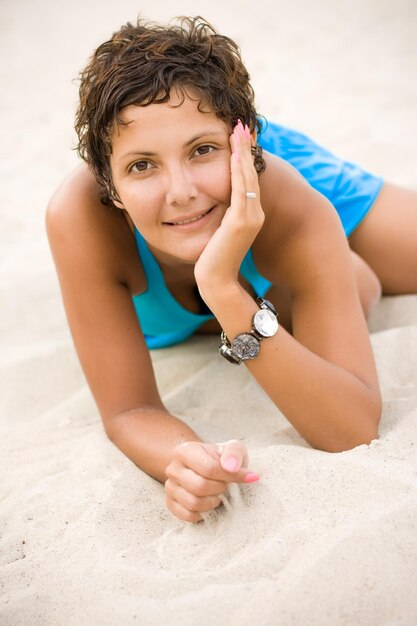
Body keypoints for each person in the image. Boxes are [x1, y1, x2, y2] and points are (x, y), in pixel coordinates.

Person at [46, 16, 417, 523]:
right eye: (141, 165)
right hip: (243, 210)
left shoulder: (290, 201)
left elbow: (351, 430)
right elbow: (129, 410)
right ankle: (329, 270)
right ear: (109, 186)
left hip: (267, 192)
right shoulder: (82, 219)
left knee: (367, 280)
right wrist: (185, 457)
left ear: (246, 144)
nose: (180, 190)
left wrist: (223, 289)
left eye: (202, 150)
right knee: (355, 284)